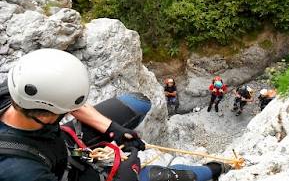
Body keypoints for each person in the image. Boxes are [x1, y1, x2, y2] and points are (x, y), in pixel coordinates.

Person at [0, 48, 230, 181]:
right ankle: (216, 170)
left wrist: (113, 129)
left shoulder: (14, 89)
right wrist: (124, 176)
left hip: (62, 145)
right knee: (162, 177)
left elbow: (68, 105)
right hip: (61, 173)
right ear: (47, 116)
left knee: (136, 103)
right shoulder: (20, 172)